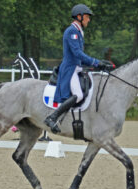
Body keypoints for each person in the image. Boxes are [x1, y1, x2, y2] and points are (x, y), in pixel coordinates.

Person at [44, 4, 107, 134]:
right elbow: (77, 53)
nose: (89, 20)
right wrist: (95, 62)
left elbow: (80, 57)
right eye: (87, 17)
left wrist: (99, 63)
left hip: (77, 67)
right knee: (78, 95)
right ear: (79, 16)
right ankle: (52, 117)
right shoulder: (71, 31)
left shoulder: (78, 31)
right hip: (70, 68)